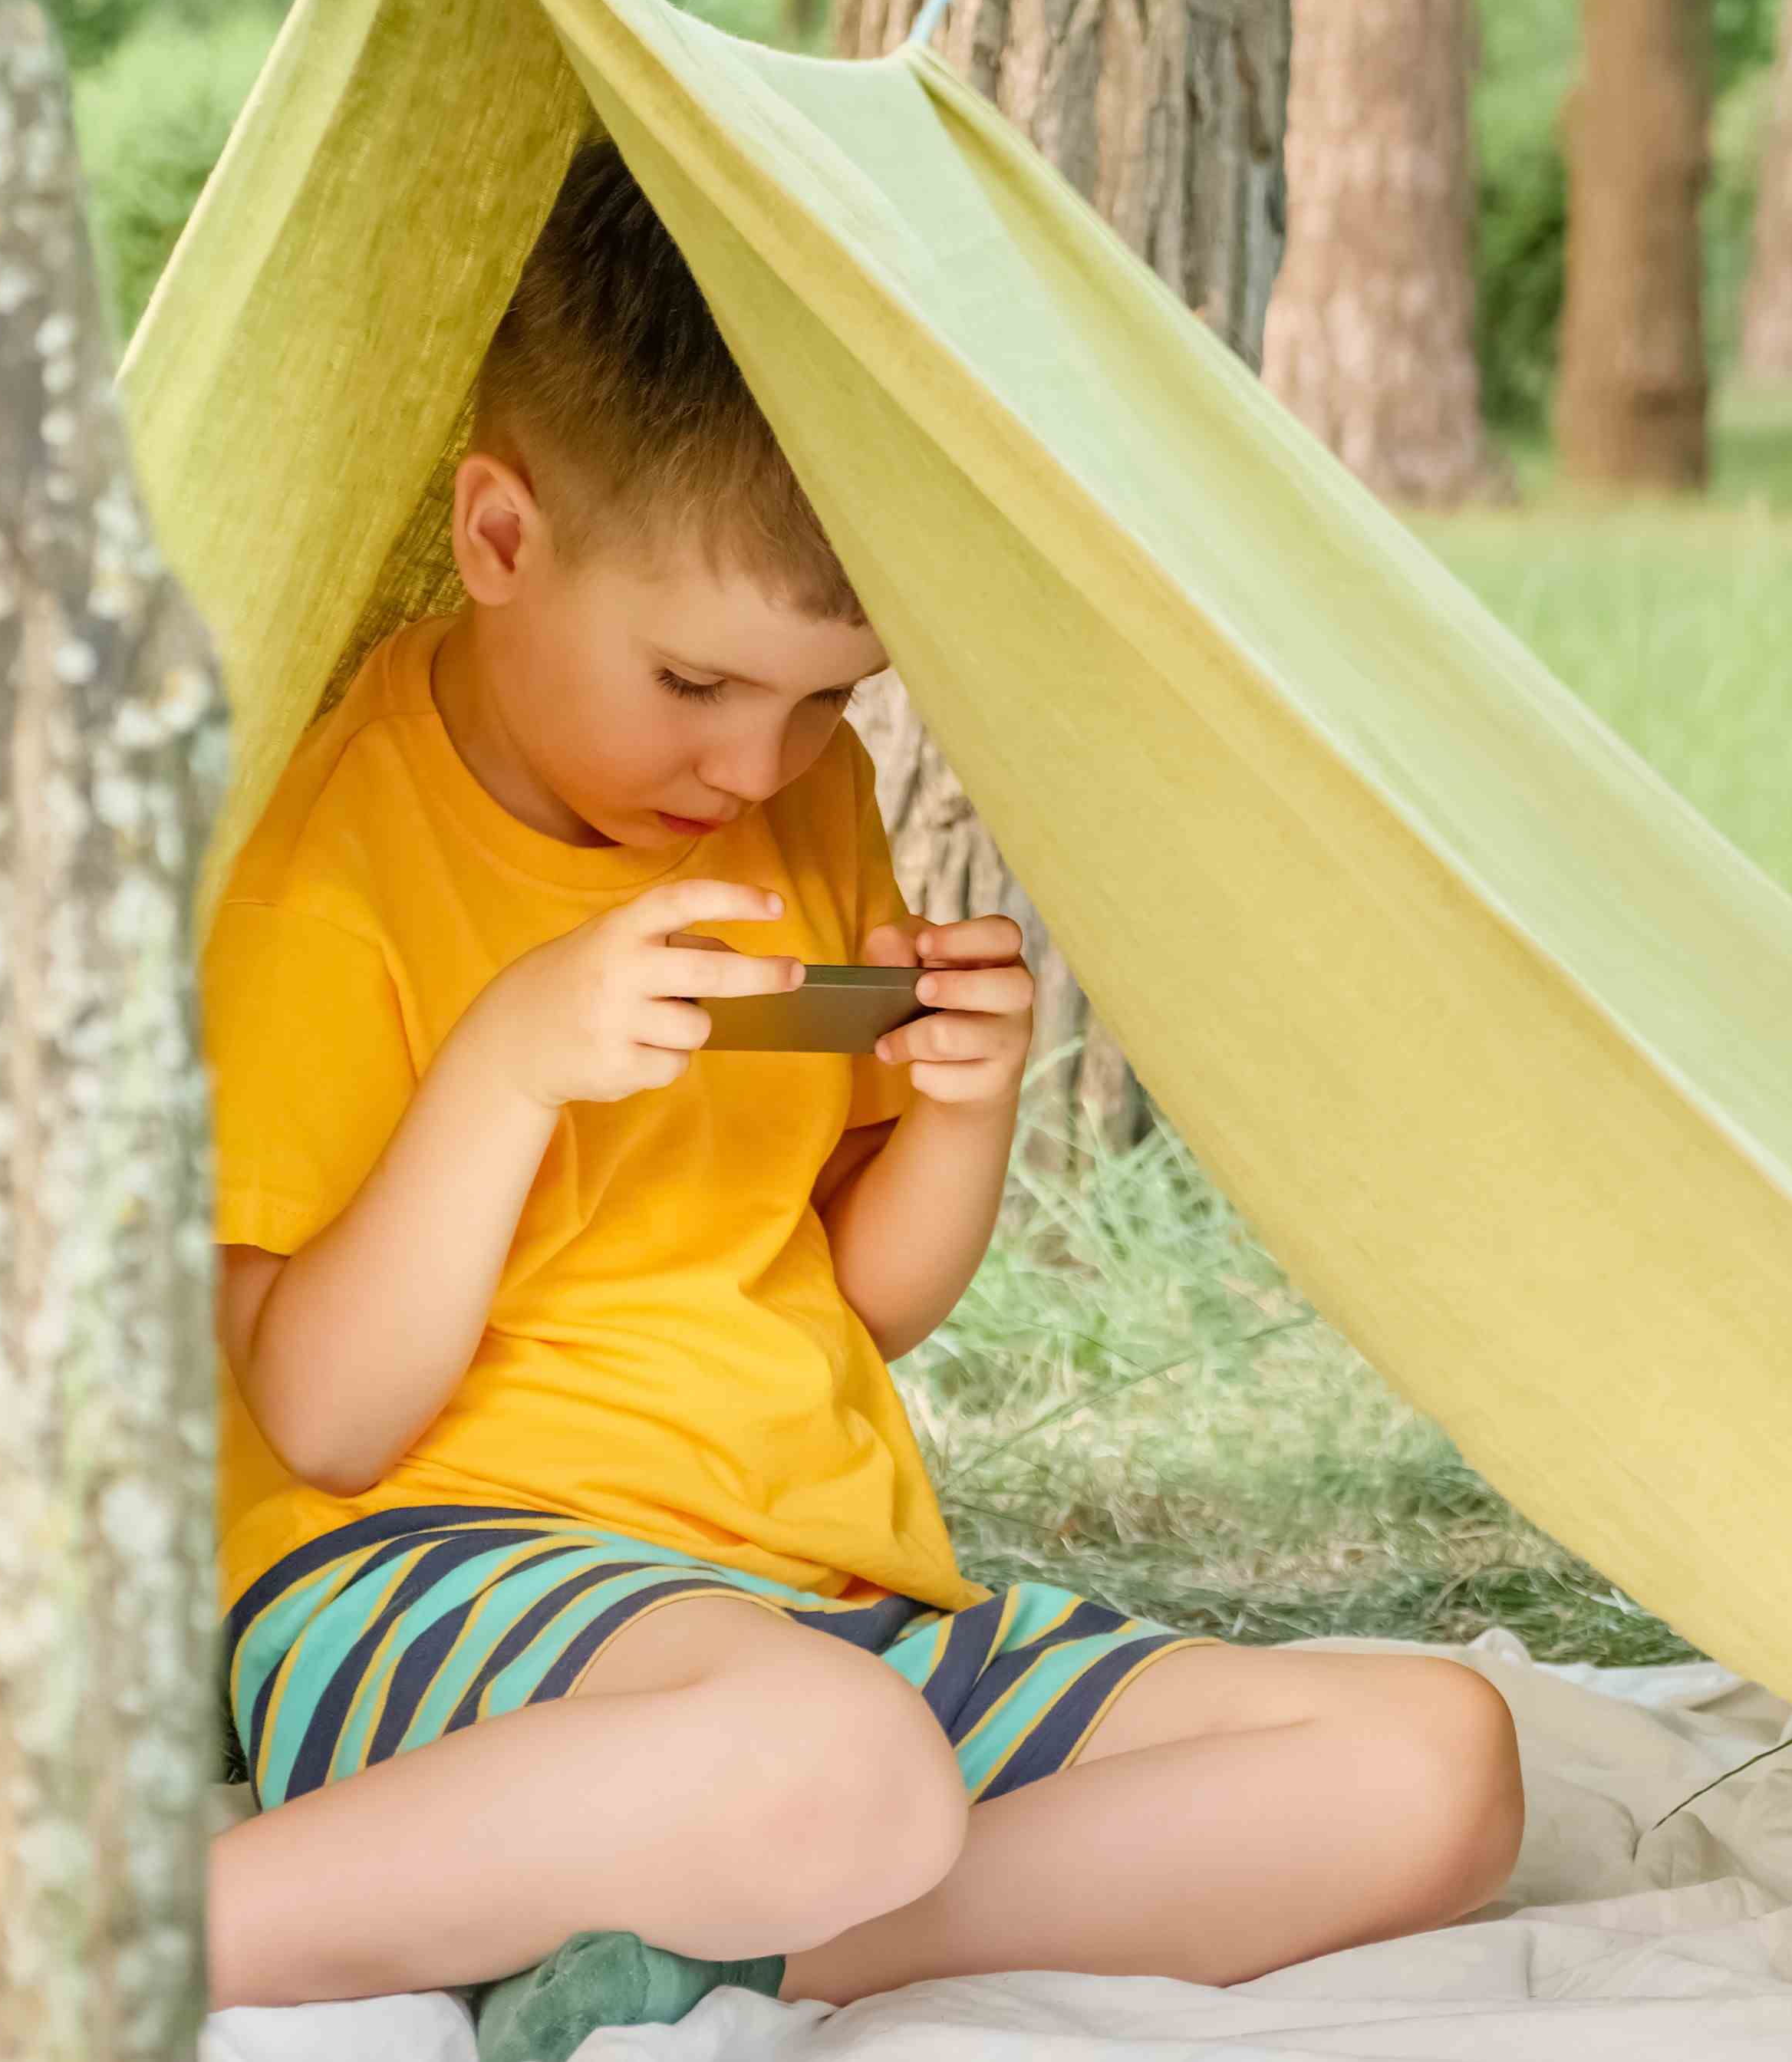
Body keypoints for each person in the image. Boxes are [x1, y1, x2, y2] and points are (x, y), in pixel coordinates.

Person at [196, 137, 1528, 2060]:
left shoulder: (789, 803)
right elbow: (322, 1416)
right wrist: (507, 1062)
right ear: (500, 540)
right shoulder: (330, 887)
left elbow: (854, 1295)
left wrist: (962, 1107)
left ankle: (714, 1959)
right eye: (695, 682)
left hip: (817, 1599)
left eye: (831, 700)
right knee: (845, 1764)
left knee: (1434, 1766)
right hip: (436, 1582)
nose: (758, 761)